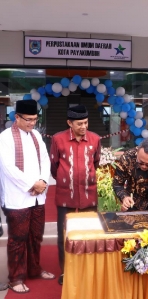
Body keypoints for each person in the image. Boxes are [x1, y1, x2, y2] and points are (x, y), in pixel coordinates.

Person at [0, 100, 54, 294]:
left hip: (38, 197)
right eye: (29, 120)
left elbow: (45, 160)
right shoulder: (5, 138)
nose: (32, 123)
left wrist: (42, 181)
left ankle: (34, 269)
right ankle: (15, 279)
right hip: (17, 198)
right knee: (18, 238)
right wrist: (32, 184)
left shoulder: (36, 135)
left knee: (35, 236)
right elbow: (8, 168)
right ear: (17, 117)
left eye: (35, 120)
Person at [50, 105, 101, 285]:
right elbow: (54, 166)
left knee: (91, 230)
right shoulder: (58, 139)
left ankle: (90, 267)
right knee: (64, 233)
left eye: (86, 123)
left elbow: (96, 162)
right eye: (79, 124)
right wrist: (67, 179)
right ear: (69, 123)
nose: (83, 127)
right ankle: (66, 271)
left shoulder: (95, 139)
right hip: (66, 193)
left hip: (89, 192)